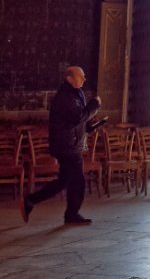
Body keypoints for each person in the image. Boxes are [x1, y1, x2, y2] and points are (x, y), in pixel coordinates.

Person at [21, 66, 102, 225]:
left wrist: (88, 128)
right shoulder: (65, 96)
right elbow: (77, 117)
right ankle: (71, 214)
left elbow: (75, 121)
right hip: (67, 147)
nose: (84, 79)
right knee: (78, 181)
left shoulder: (75, 94)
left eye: (84, 76)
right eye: (81, 77)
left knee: (64, 180)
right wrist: (94, 105)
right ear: (70, 79)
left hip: (70, 144)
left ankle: (30, 201)